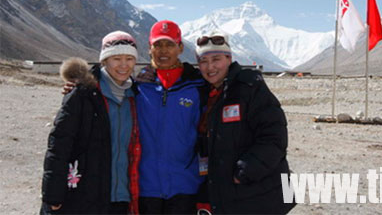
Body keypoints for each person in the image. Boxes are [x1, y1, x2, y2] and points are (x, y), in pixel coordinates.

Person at [40, 31, 141, 215]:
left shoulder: (136, 96)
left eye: (129, 58)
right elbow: (59, 144)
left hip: (122, 198)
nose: (123, 65)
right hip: (84, 196)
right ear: (104, 60)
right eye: (116, 58)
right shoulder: (83, 93)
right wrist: (52, 195)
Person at [195, 31, 295, 214]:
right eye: (203, 61)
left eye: (216, 59)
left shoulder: (249, 86)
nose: (210, 67)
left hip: (257, 191)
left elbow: (274, 136)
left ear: (229, 58)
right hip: (228, 193)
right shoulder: (204, 90)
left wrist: (245, 171)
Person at [135, 20, 205, 214]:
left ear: (180, 47)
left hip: (186, 186)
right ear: (149, 48)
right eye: (157, 45)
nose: (163, 51)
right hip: (146, 188)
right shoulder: (137, 88)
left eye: (169, 44)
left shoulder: (198, 87)